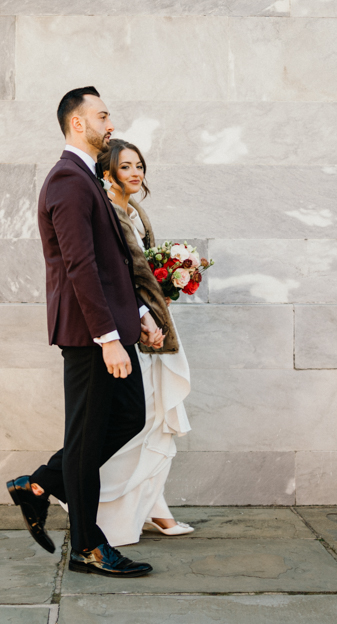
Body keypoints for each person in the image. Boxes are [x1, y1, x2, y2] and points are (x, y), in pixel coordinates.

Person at [6, 86, 166, 579]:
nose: (109, 125)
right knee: (87, 436)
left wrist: (136, 314)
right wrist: (107, 337)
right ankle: (89, 547)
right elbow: (79, 264)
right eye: (102, 116)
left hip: (110, 328)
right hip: (88, 336)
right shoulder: (68, 180)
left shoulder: (86, 178)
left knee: (128, 417)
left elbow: (112, 261)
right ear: (79, 123)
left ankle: (39, 485)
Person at [93, 139, 194, 544]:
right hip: (135, 331)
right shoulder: (108, 213)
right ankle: (113, 509)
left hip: (153, 326)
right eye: (126, 167)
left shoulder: (134, 210)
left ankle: (155, 507)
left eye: (139, 166)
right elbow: (113, 277)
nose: (136, 173)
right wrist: (142, 312)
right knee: (145, 422)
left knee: (155, 425)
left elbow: (143, 267)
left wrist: (169, 277)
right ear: (108, 172)